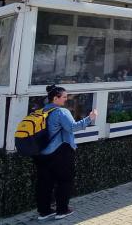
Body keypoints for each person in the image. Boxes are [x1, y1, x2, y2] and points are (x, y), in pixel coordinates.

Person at [35, 85, 97, 221]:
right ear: (55, 98)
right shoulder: (61, 112)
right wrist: (90, 118)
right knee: (64, 181)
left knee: (45, 183)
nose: (66, 99)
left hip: (42, 153)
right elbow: (72, 127)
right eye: (63, 97)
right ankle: (62, 210)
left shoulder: (41, 111)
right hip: (60, 152)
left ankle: (44, 211)